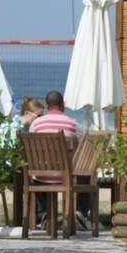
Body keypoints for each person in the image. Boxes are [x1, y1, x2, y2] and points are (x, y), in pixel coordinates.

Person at [30, 91, 82, 227]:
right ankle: (80, 212)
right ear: (63, 105)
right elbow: (80, 146)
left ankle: (42, 215)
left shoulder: (36, 124)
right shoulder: (74, 124)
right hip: (65, 176)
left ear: (47, 106)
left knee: (36, 177)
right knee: (84, 175)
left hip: (41, 175)